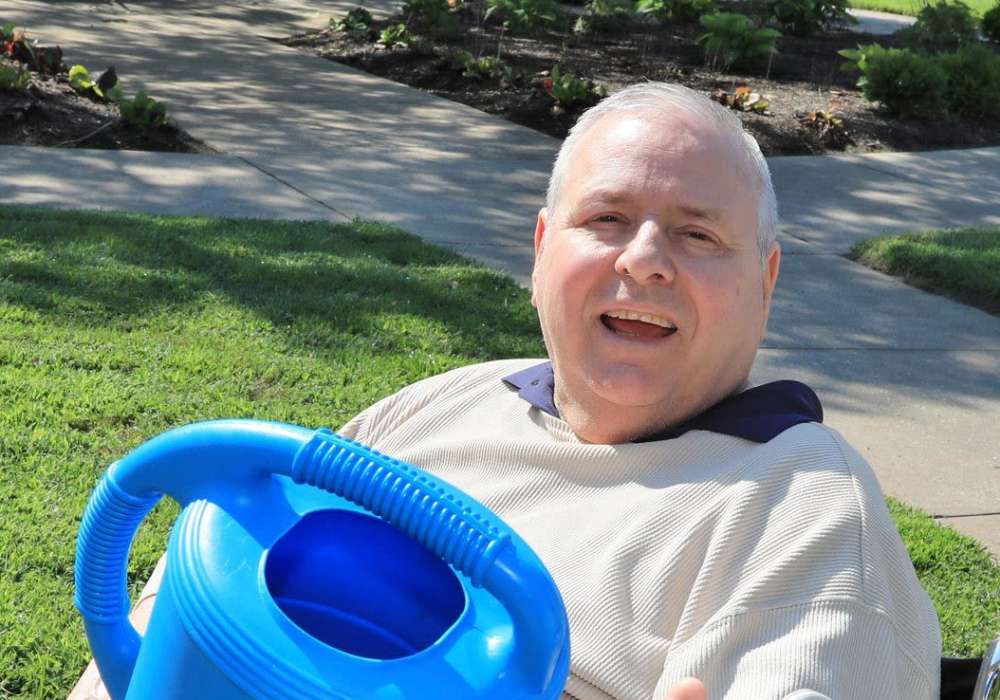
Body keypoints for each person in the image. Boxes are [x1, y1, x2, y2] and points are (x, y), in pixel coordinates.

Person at [69, 82, 941, 700]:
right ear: (539, 252)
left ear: (766, 281)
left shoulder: (801, 506)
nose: (643, 259)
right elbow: (212, 584)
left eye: (698, 233)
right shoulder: (451, 403)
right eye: (605, 219)